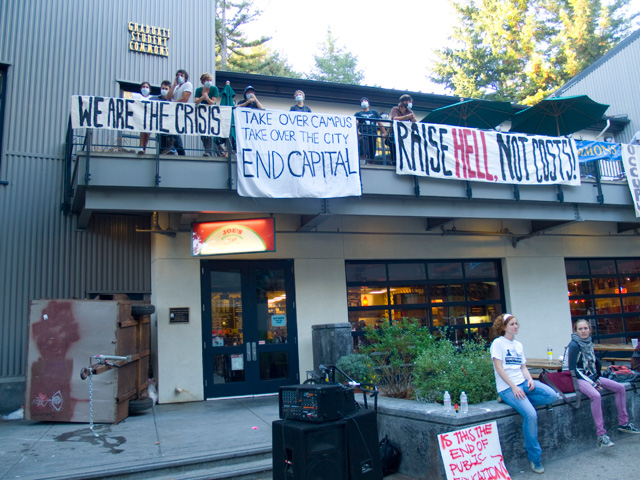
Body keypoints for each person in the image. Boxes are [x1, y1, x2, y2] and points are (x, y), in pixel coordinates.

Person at [490, 313, 559, 474]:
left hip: (523, 383)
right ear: (504, 327)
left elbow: (523, 367)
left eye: (516, 323)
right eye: (512, 324)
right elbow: (499, 368)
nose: (516, 326)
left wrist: (529, 379)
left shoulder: (518, 345)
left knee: (552, 395)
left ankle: (520, 401)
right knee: (531, 415)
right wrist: (514, 387)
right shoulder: (498, 343)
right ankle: (535, 459)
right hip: (508, 388)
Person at [566, 319, 640, 447]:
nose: (583, 331)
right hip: (578, 378)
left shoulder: (588, 343)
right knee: (596, 395)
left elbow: (593, 364)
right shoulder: (574, 345)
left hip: (591, 376)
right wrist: (593, 383)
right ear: (575, 331)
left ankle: (624, 423)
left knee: (620, 388)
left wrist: (596, 377)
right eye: (580, 329)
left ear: (590, 329)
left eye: (585, 328)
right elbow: (573, 369)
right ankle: (601, 435)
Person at [166, 69, 193, 155]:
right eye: (177, 75)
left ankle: (181, 152)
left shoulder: (187, 85)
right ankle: (174, 150)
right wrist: (174, 85)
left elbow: (185, 99)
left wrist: (173, 103)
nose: (179, 77)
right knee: (172, 131)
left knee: (175, 131)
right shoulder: (176, 88)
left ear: (185, 77)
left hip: (181, 112)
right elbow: (168, 97)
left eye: (181, 75)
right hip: (173, 113)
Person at [194, 73, 220, 157]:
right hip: (201, 115)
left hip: (210, 114)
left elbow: (213, 102)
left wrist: (207, 98)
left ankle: (208, 151)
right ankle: (207, 150)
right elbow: (196, 101)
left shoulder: (214, 89)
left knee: (208, 133)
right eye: (207, 80)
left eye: (210, 80)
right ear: (203, 81)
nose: (209, 82)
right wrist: (202, 97)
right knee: (203, 134)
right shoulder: (198, 90)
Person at [354, 97, 386, 161]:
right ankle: (362, 163)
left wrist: (384, 132)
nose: (364, 102)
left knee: (372, 152)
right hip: (363, 134)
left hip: (373, 134)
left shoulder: (374, 112)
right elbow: (355, 123)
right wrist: (357, 131)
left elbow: (379, 122)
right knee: (362, 150)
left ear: (368, 103)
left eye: (365, 101)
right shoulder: (358, 114)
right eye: (362, 101)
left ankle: (370, 162)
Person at [152, 80, 173, 154]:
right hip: (158, 123)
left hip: (169, 124)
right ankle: (163, 151)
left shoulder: (173, 101)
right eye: (162, 88)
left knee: (176, 140)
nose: (164, 90)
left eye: (166, 89)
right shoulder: (154, 99)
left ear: (170, 90)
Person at [133, 81, 152, 155]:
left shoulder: (152, 98)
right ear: (140, 88)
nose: (145, 88)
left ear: (149, 89)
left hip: (149, 119)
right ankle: (140, 147)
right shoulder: (137, 96)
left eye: (147, 87)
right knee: (143, 132)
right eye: (143, 87)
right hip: (141, 117)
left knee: (147, 134)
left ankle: (144, 148)